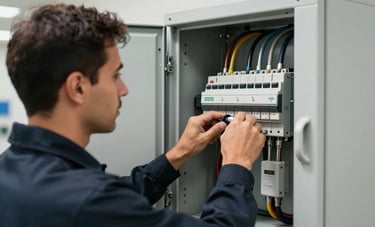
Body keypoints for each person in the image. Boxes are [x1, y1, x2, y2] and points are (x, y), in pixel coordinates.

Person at [0, 4, 266, 227]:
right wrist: (238, 163)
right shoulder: (88, 201)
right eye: (115, 75)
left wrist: (179, 153)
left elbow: (116, 201)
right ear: (78, 87)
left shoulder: (11, 167)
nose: (124, 90)